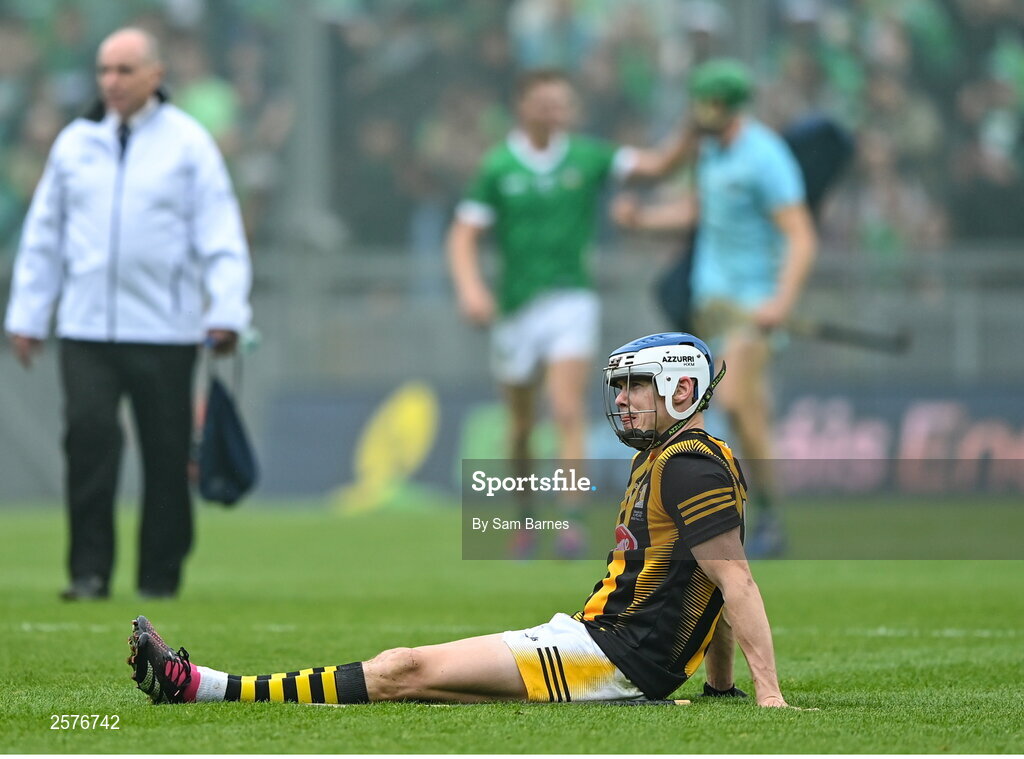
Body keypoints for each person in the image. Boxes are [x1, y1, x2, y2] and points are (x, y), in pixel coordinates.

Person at [127, 332, 793, 708]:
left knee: (403, 668)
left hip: (606, 660)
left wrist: (768, 696)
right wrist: (720, 686)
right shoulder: (678, 457)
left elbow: (735, 582)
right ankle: (205, 685)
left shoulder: (689, 465)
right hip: (603, 650)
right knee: (415, 682)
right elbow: (713, 585)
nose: (621, 400)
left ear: (681, 387)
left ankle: (203, 687)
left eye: (635, 385)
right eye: (616, 387)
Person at [4, 28, 252, 600]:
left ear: (155, 75)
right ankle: (88, 572)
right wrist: (28, 314)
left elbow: (221, 234)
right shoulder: (74, 144)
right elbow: (44, 235)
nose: (111, 82)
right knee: (88, 441)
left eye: (124, 70)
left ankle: (159, 576)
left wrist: (228, 311)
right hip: (87, 326)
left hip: (165, 328)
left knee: (165, 453)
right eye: (104, 71)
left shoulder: (190, 145)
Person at [447, 68, 694, 555]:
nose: (556, 111)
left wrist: (693, 124)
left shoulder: (587, 156)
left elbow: (659, 166)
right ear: (523, 105)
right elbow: (462, 235)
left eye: (563, 103)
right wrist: (471, 288)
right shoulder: (499, 166)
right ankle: (525, 518)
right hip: (516, 307)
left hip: (570, 298)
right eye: (546, 102)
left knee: (565, 408)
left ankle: (571, 522)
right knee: (520, 427)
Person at [613, 59, 818, 557]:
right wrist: (643, 221)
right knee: (750, 416)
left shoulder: (765, 156)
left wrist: (780, 302)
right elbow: (698, 212)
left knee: (731, 403)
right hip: (710, 308)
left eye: (710, 105)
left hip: (752, 308)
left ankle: (753, 519)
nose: (701, 115)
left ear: (729, 106)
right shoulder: (709, 153)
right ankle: (766, 515)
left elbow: (801, 235)